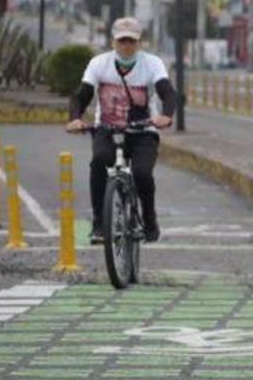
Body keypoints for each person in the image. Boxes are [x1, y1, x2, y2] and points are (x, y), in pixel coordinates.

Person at [66, 17, 176, 245]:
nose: (126, 46)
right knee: (99, 162)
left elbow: (167, 92)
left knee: (142, 173)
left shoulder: (152, 63)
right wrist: (75, 118)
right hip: (106, 128)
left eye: (131, 41)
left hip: (143, 131)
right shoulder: (99, 63)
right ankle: (98, 224)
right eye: (122, 41)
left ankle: (149, 219)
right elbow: (81, 95)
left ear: (139, 42)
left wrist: (166, 115)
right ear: (112, 41)